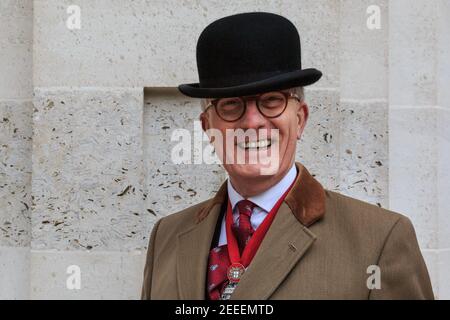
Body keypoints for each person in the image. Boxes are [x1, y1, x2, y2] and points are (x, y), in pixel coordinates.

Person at [141, 12, 433, 300]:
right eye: (231, 105)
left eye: (272, 101)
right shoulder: (165, 237)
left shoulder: (381, 240)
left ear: (301, 119)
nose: (252, 122)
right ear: (208, 127)